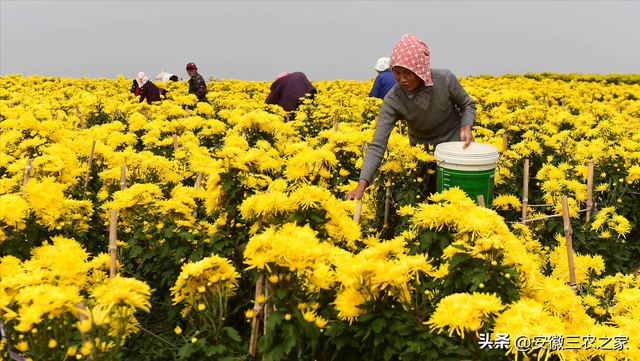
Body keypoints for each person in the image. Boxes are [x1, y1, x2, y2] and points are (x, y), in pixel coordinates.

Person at [347, 34, 476, 201]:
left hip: (454, 148)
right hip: (421, 155)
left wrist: (466, 126)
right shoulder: (394, 99)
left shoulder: (444, 80)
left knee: (461, 199)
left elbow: (467, 105)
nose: (402, 79)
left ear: (420, 69)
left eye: (408, 73)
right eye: (397, 72)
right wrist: (361, 185)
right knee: (427, 201)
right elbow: (378, 144)